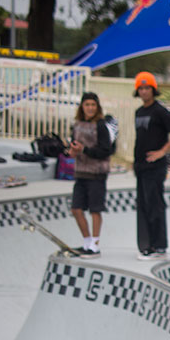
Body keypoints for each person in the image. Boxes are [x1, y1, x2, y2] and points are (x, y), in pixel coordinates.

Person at [133, 71, 170, 260]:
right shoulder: (139, 112)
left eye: (147, 88)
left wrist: (164, 151)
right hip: (141, 166)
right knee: (143, 205)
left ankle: (159, 246)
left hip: (155, 168)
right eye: (141, 88)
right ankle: (146, 245)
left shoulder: (159, 110)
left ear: (153, 90)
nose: (144, 92)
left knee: (155, 205)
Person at [68, 91, 113, 257]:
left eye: (93, 105)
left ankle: (94, 244)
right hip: (80, 172)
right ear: (82, 107)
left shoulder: (101, 125)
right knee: (76, 209)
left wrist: (85, 150)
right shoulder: (77, 124)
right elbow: (74, 145)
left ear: (97, 107)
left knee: (95, 209)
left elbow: (106, 150)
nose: (90, 108)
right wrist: (72, 151)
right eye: (87, 105)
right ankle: (86, 241)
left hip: (97, 173)